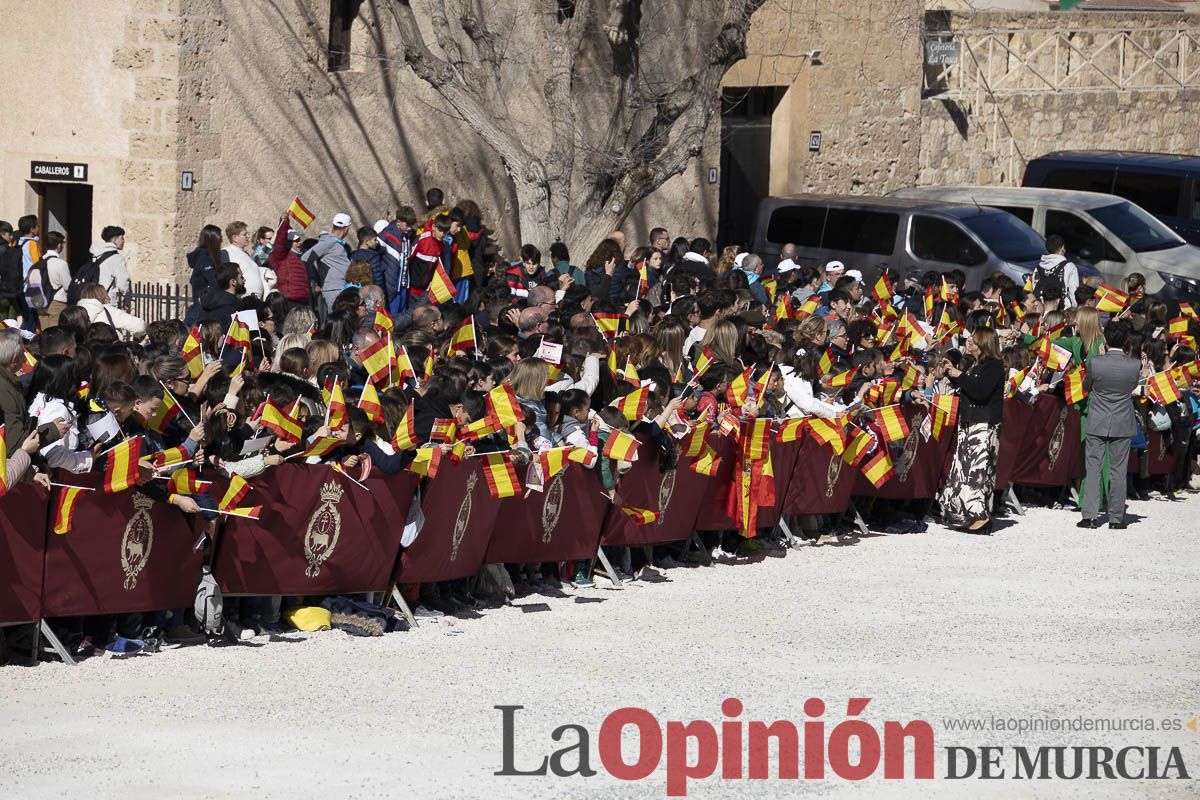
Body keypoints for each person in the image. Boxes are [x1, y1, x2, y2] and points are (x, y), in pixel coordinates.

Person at [937, 327, 1005, 534]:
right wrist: (952, 373)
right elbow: (968, 387)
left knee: (978, 471)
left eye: (973, 340)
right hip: (969, 422)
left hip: (983, 426)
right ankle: (967, 512)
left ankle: (981, 517)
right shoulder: (974, 364)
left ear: (984, 343)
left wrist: (960, 375)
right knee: (964, 469)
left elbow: (980, 391)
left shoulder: (993, 366)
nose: (968, 342)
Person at [1079, 320, 1141, 530]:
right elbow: (1132, 386)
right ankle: (1116, 518)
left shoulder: (1095, 362)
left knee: (1093, 468)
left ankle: (1089, 516)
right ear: (1125, 340)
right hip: (1122, 420)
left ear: (1105, 338)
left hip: (1098, 418)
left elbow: (1086, 386)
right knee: (1118, 471)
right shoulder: (1134, 364)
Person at [305, 212, 354, 309]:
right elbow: (306, 258)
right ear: (346, 229)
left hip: (342, 287)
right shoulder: (328, 242)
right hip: (334, 290)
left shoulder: (335, 243)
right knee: (338, 316)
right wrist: (313, 280)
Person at [223, 220, 276, 299]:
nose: (248, 236)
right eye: (244, 234)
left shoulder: (246, 255)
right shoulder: (226, 252)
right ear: (235, 238)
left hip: (255, 300)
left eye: (247, 234)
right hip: (242, 299)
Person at [1035, 234, 1079, 310]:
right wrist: (1074, 310)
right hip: (1062, 311)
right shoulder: (1069, 266)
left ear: (1047, 249)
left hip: (1042, 310)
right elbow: (1074, 293)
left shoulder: (1038, 268)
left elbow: (1035, 290)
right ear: (1062, 248)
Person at [93, 225, 131, 308]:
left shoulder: (96, 255)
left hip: (93, 299)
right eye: (122, 238)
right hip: (108, 300)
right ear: (114, 240)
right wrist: (127, 298)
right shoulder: (117, 258)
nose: (123, 241)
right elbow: (123, 282)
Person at [187, 224, 226, 303]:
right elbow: (213, 281)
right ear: (214, 240)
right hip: (206, 303)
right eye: (220, 237)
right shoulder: (205, 258)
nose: (222, 240)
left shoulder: (208, 256)